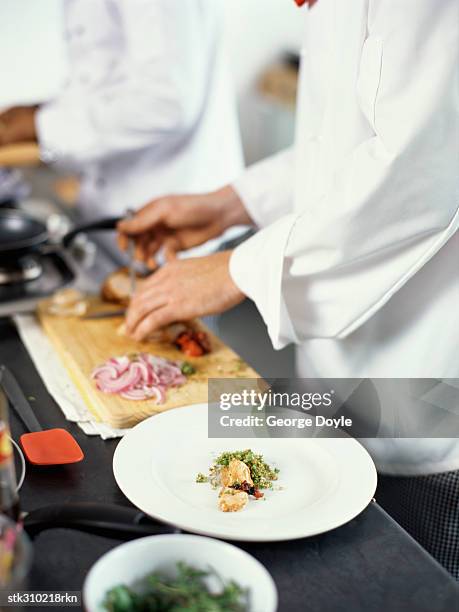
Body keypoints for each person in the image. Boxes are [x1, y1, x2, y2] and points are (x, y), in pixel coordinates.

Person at [117, 0, 459, 578]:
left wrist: (236, 270)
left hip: (427, 389)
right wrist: (230, 204)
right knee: (313, 562)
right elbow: (345, 141)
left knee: (405, 582)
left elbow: (420, 172)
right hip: (329, 379)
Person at [0, 0, 242, 257]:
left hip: (181, 233)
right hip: (119, 225)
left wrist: (41, 125)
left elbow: (166, 101)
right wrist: (41, 112)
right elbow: (106, 77)